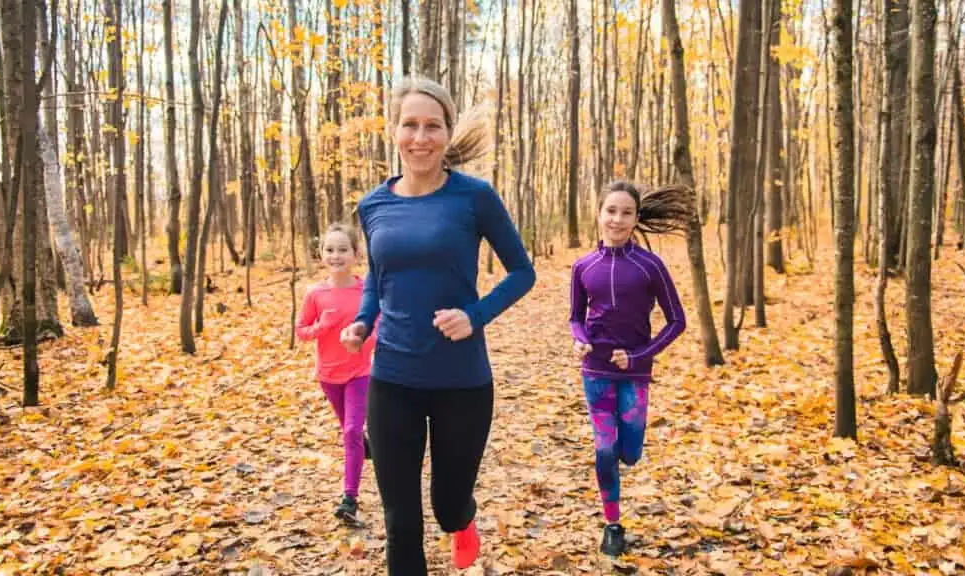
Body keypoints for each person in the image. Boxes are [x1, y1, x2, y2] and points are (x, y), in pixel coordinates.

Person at [339, 77, 536, 575]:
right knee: (400, 521)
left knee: (448, 504)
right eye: (410, 125)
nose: (420, 137)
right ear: (394, 130)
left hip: (462, 383)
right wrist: (363, 322)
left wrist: (475, 316)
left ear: (448, 133)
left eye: (432, 126)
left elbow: (523, 271)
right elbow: (379, 280)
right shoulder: (372, 205)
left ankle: (462, 521)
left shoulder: (474, 197)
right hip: (392, 381)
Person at [569, 181, 691, 557]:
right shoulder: (583, 266)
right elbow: (575, 316)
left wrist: (639, 357)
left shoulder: (650, 266)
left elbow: (677, 321)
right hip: (596, 370)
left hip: (635, 372)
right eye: (611, 211)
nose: (617, 220)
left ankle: (627, 455)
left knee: (630, 451)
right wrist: (579, 339)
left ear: (637, 219)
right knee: (604, 450)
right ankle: (613, 524)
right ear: (599, 213)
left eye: (626, 213)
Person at [296, 223, 376, 525]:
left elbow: (378, 325)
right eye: (330, 250)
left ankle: (349, 498)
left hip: (359, 372)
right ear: (321, 255)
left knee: (351, 431)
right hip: (328, 375)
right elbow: (301, 332)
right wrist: (323, 327)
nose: (336, 255)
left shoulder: (365, 290)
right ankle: (363, 446)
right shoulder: (315, 294)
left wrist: (364, 340)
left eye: (343, 250)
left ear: (355, 254)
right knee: (351, 431)